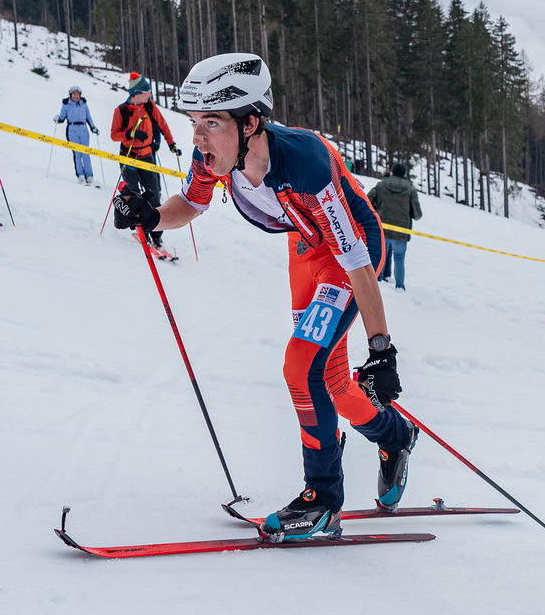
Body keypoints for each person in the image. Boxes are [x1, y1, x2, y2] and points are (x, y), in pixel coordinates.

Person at [112, 53, 418, 540]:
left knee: (301, 366)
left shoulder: (306, 162)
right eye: (194, 122)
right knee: (334, 383)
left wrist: (382, 349)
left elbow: (358, 261)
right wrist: (151, 217)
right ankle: (395, 436)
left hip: (349, 253)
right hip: (306, 250)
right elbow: (191, 202)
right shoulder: (214, 157)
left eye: (211, 122)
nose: (198, 136)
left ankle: (322, 498)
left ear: (251, 122)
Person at [111, 73, 180, 257]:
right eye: (147, 92)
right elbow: (114, 135)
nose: (149, 95)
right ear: (137, 93)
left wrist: (171, 144)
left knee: (154, 196)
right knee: (134, 198)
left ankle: (157, 235)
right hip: (128, 157)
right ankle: (142, 232)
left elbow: (163, 125)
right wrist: (130, 135)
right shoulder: (121, 111)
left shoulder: (149, 106)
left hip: (148, 157)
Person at [368, 162, 423, 289]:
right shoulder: (410, 190)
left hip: (381, 230)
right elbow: (417, 214)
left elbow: (367, 201)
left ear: (392, 172)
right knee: (399, 259)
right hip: (401, 233)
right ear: (404, 174)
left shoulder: (381, 185)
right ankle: (399, 286)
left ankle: (379, 282)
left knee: (381, 256)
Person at [54, 86, 98, 185]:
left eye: (78, 94)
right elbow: (62, 117)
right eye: (74, 94)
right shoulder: (66, 105)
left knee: (86, 153)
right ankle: (80, 175)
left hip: (83, 130)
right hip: (72, 130)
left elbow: (88, 117)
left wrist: (93, 127)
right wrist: (57, 119)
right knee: (77, 154)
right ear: (70, 95)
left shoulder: (84, 104)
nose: (76, 96)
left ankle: (89, 175)